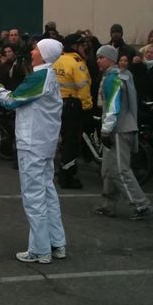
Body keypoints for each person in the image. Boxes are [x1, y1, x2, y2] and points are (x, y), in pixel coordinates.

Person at [0, 37, 67, 264]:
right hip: (44, 144)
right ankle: (57, 243)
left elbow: (11, 100)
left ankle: (40, 250)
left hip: (33, 143)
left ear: (44, 55)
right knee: (47, 193)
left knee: (34, 196)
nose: (32, 52)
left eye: (36, 49)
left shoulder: (40, 77)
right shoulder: (49, 76)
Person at [94, 45, 153, 220]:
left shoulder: (114, 78)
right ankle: (108, 205)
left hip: (119, 129)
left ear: (111, 60)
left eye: (101, 58)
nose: (98, 61)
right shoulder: (118, 76)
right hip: (118, 128)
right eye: (97, 57)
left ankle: (142, 205)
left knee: (120, 170)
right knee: (108, 169)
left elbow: (114, 106)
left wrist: (106, 130)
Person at [54, 33, 92, 189]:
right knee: (72, 142)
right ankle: (67, 176)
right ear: (75, 46)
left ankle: (61, 170)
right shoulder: (77, 63)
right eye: (82, 45)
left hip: (56, 104)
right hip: (72, 105)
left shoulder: (56, 60)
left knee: (61, 140)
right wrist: (87, 107)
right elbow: (83, 87)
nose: (84, 48)